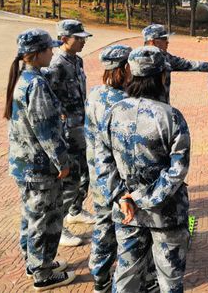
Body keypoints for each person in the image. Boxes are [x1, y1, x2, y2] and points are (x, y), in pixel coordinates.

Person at [96, 46, 190, 293]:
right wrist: (142, 198)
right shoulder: (171, 116)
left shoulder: (112, 113)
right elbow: (177, 170)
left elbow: (103, 164)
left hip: (127, 212)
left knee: (126, 277)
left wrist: (121, 198)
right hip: (165, 212)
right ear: (161, 77)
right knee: (169, 280)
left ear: (131, 74)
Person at [6, 28, 76, 291]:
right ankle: (42, 273)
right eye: (49, 49)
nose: (53, 52)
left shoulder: (23, 77)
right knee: (45, 220)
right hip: (39, 167)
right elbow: (46, 129)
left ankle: (33, 262)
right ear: (36, 54)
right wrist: (62, 162)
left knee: (30, 215)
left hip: (24, 164)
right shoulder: (35, 84)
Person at [85, 45, 137, 293]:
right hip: (119, 178)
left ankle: (99, 276)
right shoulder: (126, 103)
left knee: (103, 224)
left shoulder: (95, 94)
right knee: (127, 226)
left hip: (97, 174)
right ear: (125, 68)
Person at [43, 19, 95, 247]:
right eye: (78, 38)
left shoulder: (77, 60)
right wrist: (60, 119)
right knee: (70, 178)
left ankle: (75, 209)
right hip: (67, 132)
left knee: (85, 172)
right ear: (64, 39)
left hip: (80, 126)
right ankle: (59, 227)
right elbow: (47, 98)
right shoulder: (56, 65)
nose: (83, 41)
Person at [142, 23, 208, 103]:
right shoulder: (136, 60)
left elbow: (188, 64)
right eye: (164, 39)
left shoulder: (165, 57)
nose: (167, 42)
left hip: (162, 109)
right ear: (152, 42)